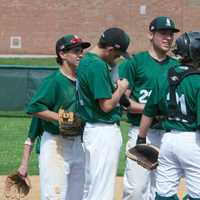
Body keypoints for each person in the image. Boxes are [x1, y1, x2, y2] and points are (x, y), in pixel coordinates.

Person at [119, 16, 180, 200]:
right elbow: (125, 103)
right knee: (136, 189)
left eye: (171, 34)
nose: (168, 38)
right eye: (163, 33)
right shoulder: (135, 63)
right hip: (142, 134)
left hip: (169, 135)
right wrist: (153, 108)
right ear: (150, 35)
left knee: (162, 189)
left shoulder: (176, 66)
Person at [25, 34, 91, 200]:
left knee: (77, 196)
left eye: (82, 50)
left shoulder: (83, 81)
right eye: (76, 50)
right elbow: (34, 107)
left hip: (79, 144)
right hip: (55, 144)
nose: (81, 54)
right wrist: (63, 118)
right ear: (62, 54)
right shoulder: (54, 81)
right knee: (54, 195)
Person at [138, 31, 200, 199]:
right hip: (193, 142)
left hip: (168, 142)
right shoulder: (197, 80)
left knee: (164, 192)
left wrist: (141, 139)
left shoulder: (164, 76)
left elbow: (149, 111)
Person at [76, 27, 130, 200]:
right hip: (102, 131)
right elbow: (106, 106)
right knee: (102, 190)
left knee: (90, 186)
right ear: (110, 49)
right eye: (117, 54)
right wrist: (121, 89)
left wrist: (112, 67)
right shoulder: (97, 66)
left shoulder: (85, 60)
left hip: (91, 130)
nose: (118, 57)